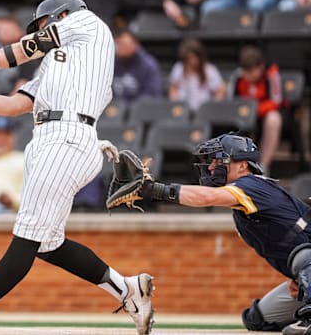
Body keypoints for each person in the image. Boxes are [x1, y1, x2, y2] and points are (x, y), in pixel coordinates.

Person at [0, 0, 154, 335]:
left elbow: (26, 47)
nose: (40, 31)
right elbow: (16, 105)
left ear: (62, 14)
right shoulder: (59, 64)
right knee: (48, 243)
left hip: (68, 136)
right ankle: (128, 290)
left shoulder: (88, 24)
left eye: (43, 23)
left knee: (27, 233)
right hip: (48, 137)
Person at [116, 133, 311, 334]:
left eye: (219, 161)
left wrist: (155, 190)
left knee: (303, 256)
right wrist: (299, 277)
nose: (210, 167)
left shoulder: (253, 184)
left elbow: (207, 197)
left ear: (243, 165)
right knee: (257, 320)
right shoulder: (242, 208)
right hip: (302, 267)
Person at [227, 45, 283, 172]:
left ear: (261, 66)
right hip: (241, 115)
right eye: (246, 71)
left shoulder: (271, 75)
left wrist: (255, 111)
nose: (248, 75)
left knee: (274, 119)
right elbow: (230, 102)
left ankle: (263, 166)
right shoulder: (237, 76)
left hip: (263, 115)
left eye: (252, 71)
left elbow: (276, 101)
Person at [168, 38, 225, 111]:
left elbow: (219, 92)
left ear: (199, 57)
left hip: (204, 111)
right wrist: (176, 104)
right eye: (187, 58)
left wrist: (212, 108)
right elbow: (173, 89)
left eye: (192, 57)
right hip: (183, 111)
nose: (191, 61)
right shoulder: (178, 68)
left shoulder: (209, 70)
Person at [113, 28, 163, 104]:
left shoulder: (148, 65)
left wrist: (126, 108)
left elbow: (151, 96)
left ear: (136, 45)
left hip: (139, 112)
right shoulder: (111, 63)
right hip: (114, 111)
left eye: (124, 44)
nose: (121, 48)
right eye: (118, 44)